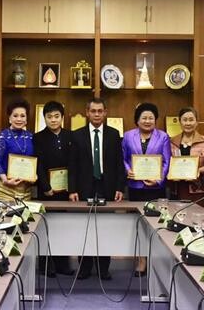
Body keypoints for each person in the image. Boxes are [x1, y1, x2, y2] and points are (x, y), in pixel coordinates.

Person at [69, 98, 125, 280]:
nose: (97, 114)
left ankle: (103, 269)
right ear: (87, 112)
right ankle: (84, 268)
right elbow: (73, 166)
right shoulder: (76, 135)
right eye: (93, 111)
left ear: (105, 112)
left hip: (106, 186)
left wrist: (119, 187)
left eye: (100, 111)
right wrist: (72, 189)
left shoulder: (114, 134)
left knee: (104, 228)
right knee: (84, 228)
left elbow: (118, 164)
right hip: (85, 186)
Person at [122, 102, 170, 276]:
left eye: (151, 118)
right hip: (135, 187)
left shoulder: (163, 137)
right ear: (137, 120)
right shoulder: (128, 136)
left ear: (155, 120)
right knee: (138, 224)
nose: (148, 121)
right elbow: (123, 158)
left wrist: (157, 180)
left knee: (156, 224)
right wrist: (129, 171)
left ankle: (156, 259)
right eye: (144, 117)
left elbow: (166, 161)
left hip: (155, 189)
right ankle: (141, 260)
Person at [33, 100, 74, 277]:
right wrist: (45, 186)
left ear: (62, 118)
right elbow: (38, 165)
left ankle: (63, 264)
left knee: (64, 227)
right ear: (44, 118)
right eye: (49, 117)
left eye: (56, 116)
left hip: (66, 191)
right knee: (46, 227)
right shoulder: (38, 137)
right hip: (47, 191)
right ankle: (45, 265)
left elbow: (74, 163)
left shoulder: (70, 136)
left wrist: (72, 187)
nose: (53, 120)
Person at [170, 107, 204, 203]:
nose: (188, 123)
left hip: (199, 191)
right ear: (180, 122)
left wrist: (198, 170)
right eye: (185, 120)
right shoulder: (172, 142)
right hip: (177, 189)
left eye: (191, 120)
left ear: (196, 122)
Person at [0, 99, 34, 202]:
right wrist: (5, 180)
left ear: (27, 118)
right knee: (6, 217)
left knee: (24, 218)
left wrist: (35, 175)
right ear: (9, 118)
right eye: (15, 116)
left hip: (26, 189)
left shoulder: (31, 137)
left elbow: (35, 160)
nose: (19, 119)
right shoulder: (3, 136)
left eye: (22, 116)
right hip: (6, 189)